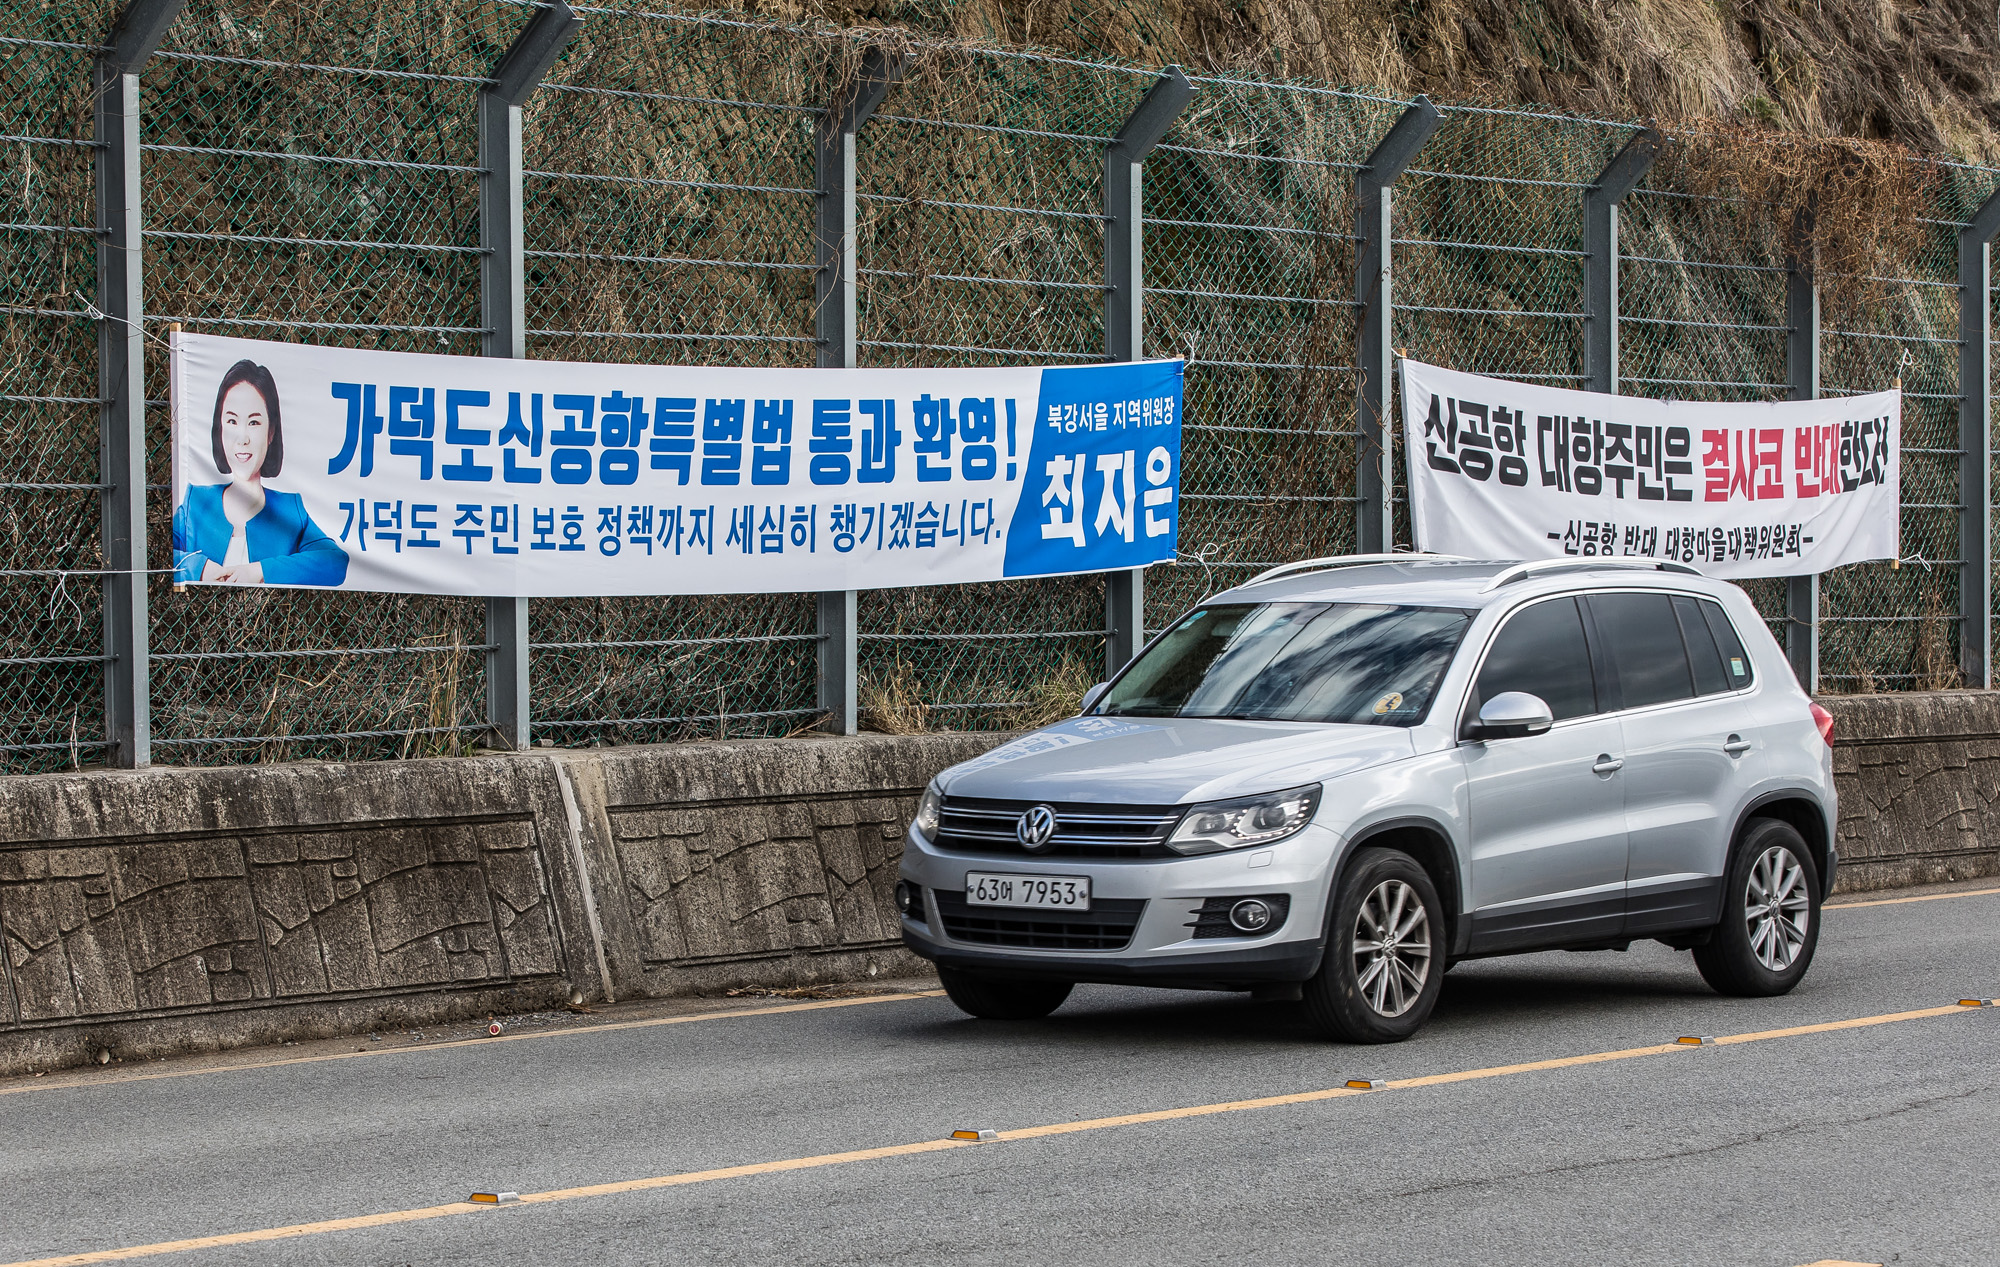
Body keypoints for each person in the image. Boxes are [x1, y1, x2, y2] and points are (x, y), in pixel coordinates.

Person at [173, 359, 348, 587]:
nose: (242, 438)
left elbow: (335, 562)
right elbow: (156, 554)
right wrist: (200, 567)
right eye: (232, 421)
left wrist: (260, 571)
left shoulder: (290, 510)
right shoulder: (195, 502)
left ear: (271, 431)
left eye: (254, 422)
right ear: (220, 428)